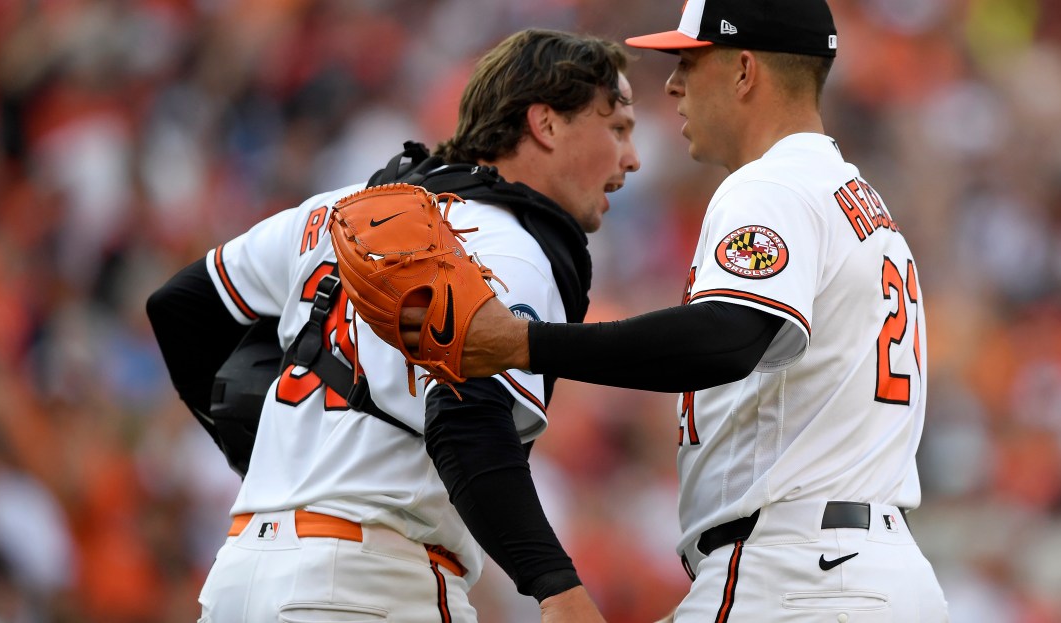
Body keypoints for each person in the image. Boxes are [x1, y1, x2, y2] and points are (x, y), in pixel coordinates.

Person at [402, 1, 951, 620]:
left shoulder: (770, 186)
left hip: (796, 569)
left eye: (689, 61)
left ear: (744, 72)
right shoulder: (856, 201)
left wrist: (524, 342)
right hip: (872, 572)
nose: (672, 84)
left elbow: (728, 337)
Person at [146, 29, 639, 623]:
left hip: (242, 573)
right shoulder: (512, 246)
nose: (631, 158)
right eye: (616, 128)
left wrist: (272, 461)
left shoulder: (340, 207)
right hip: (367, 581)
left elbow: (181, 306)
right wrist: (558, 588)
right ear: (547, 124)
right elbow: (466, 420)